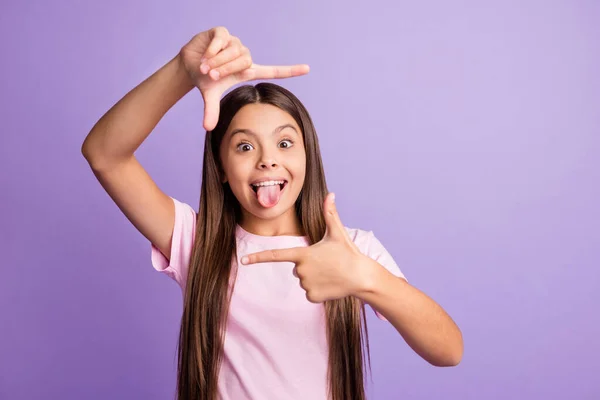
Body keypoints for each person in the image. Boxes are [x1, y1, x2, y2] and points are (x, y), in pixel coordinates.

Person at [82, 26, 463, 400]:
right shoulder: (196, 242)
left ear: (307, 156)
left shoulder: (352, 249)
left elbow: (448, 350)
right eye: (245, 147)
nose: (267, 160)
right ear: (221, 170)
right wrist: (183, 71)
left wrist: (366, 277)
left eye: (284, 143)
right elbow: (104, 154)